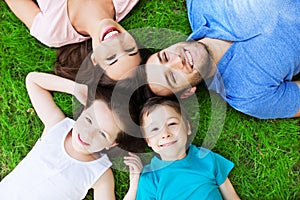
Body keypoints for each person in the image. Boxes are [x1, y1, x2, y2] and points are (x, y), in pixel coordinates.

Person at [144, 0, 300, 119]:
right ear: (187, 92)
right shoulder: (248, 97)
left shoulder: (200, 5)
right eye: (173, 76)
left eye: (165, 57)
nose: (178, 60)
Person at [0, 72, 145, 199]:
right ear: (82, 110)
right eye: (88, 120)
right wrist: (76, 89)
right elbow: (33, 81)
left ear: (112, 144)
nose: (88, 134)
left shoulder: (100, 174)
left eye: (102, 134)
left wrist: (133, 187)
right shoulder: (57, 126)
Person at [4, 0, 142, 80]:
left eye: (111, 57)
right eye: (129, 49)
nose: (116, 44)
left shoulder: (53, 32)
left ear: (95, 59)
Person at [136, 96, 240, 200]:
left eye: (172, 123)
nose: (165, 134)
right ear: (148, 141)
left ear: (188, 128)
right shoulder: (150, 178)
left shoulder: (206, 157)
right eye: (154, 129)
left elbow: (231, 195)